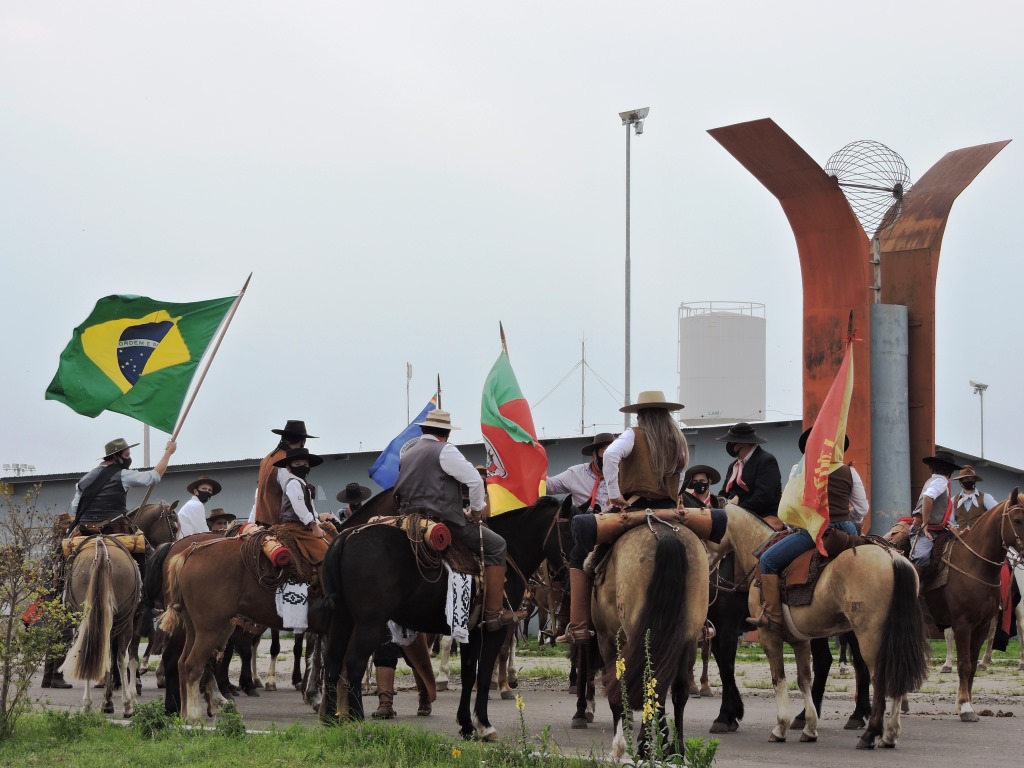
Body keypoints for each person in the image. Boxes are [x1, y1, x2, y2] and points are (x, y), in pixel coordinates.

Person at [557, 390, 688, 643]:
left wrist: (616, 496)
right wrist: (673, 496)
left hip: (635, 508)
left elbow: (611, 455)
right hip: (670, 512)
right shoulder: (678, 440)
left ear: (641, 415)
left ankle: (580, 626)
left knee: (578, 554)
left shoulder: (633, 435)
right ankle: (700, 623)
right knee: (701, 553)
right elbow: (681, 474)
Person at [393, 409, 519, 632]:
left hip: (407, 521)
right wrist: (476, 511)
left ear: (424, 430)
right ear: (446, 433)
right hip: (442, 521)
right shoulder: (445, 451)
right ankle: (493, 613)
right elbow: (475, 482)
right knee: (497, 545)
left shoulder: (407, 454)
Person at [754, 430, 862, 629]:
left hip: (814, 531)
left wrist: (796, 524)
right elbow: (862, 509)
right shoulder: (850, 471)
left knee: (767, 561)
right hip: (847, 530)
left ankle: (773, 617)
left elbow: (790, 505)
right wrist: (845, 518)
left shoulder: (799, 469)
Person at [69, 437, 177, 533]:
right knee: (147, 551)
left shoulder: (83, 480)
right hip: (114, 530)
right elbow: (154, 476)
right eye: (127, 455)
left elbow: (75, 509)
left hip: (85, 531)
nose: (129, 459)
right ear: (116, 456)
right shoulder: (122, 475)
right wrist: (168, 453)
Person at [250, 420, 317, 526]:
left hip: (261, 520)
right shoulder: (286, 461)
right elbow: (293, 495)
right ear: (303, 441)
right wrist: (314, 520)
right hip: (278, 523)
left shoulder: (266, 459)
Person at [274, 448, 329, 568]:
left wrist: (318, 520)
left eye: (305, 464)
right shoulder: (293, 483)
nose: (302, 467)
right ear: (289, 467)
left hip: (304, 525)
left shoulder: (302, 483)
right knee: (326, 554)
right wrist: (314, 526)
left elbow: (310, 507)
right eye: (297, 464)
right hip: (295, 526)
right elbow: (300, 508)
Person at [716, 423, 782, 519]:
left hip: (762, 517)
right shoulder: (733, 466)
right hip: (736, 514)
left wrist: (737, 511)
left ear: (741, 443)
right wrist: (717, 504)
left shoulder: (766, 460)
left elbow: (764, 496)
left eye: (731, 442)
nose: (729, 445)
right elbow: (725, 492)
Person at [909, 450, 962, 568]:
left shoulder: (933, 480)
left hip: (938, 530)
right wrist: (925, 524)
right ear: (950, 470)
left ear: (932, 467)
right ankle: (916, 585)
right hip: (924, 531)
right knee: (922, 559)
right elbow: (928, 498)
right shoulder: (941, 481)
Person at [545, 433, 614, 512]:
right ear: (594, 454)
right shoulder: (576, 474)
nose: (609, 459)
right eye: (605, 453)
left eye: (614, 454)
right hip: (584, 522)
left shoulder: (623, 477)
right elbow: (548, 485)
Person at [951, 465, 998, 530]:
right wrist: (953, 527)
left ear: (975, 481)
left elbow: (997, 513)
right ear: (960, 482)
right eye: (966, 479)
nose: (969, 481)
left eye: (972, 479)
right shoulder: (953, 500)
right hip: (959, 537)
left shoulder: (986, 497)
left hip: (979, 538)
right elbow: (951, 521)